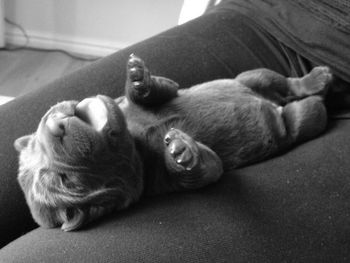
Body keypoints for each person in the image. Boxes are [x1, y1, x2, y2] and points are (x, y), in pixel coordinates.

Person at [0, 0, 349, 261]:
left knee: (285, 97)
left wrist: (144, 89)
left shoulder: (123, 114)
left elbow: (167, 94)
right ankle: (302, 93)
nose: (52, 126)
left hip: (271, 96)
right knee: (286, 101)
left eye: (36, 143)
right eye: (60, 180)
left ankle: (297, 86)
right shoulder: (151, 170)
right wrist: (187, 160)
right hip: (274, 34)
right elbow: (208, 167)